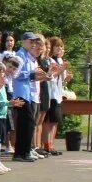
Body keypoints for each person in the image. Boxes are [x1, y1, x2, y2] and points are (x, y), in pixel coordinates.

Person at [11, 33, 48, 163]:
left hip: (27, 93)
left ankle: (23, 151)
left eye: (34, 42)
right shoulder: (19, 55)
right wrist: (32, 73)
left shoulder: (27, 55)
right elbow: (14, 74)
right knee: (25, 123)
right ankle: (21, 152)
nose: (32, 44)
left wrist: (38, 75)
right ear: (23, 42)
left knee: (28, 123)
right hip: (20, 93)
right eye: (30, 41)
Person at [43, 36, 71, 156]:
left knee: (55, 121)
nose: (59, 49)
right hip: (51, 94)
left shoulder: (60, 61)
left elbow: (62, 81)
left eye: (61, 46)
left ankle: (52, 144)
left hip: (59, 94)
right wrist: (60, 70)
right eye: (57, 46)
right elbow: (51, 78)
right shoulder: (51, 61)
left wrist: (67, 79)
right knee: (48, 121)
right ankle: (46, 145)